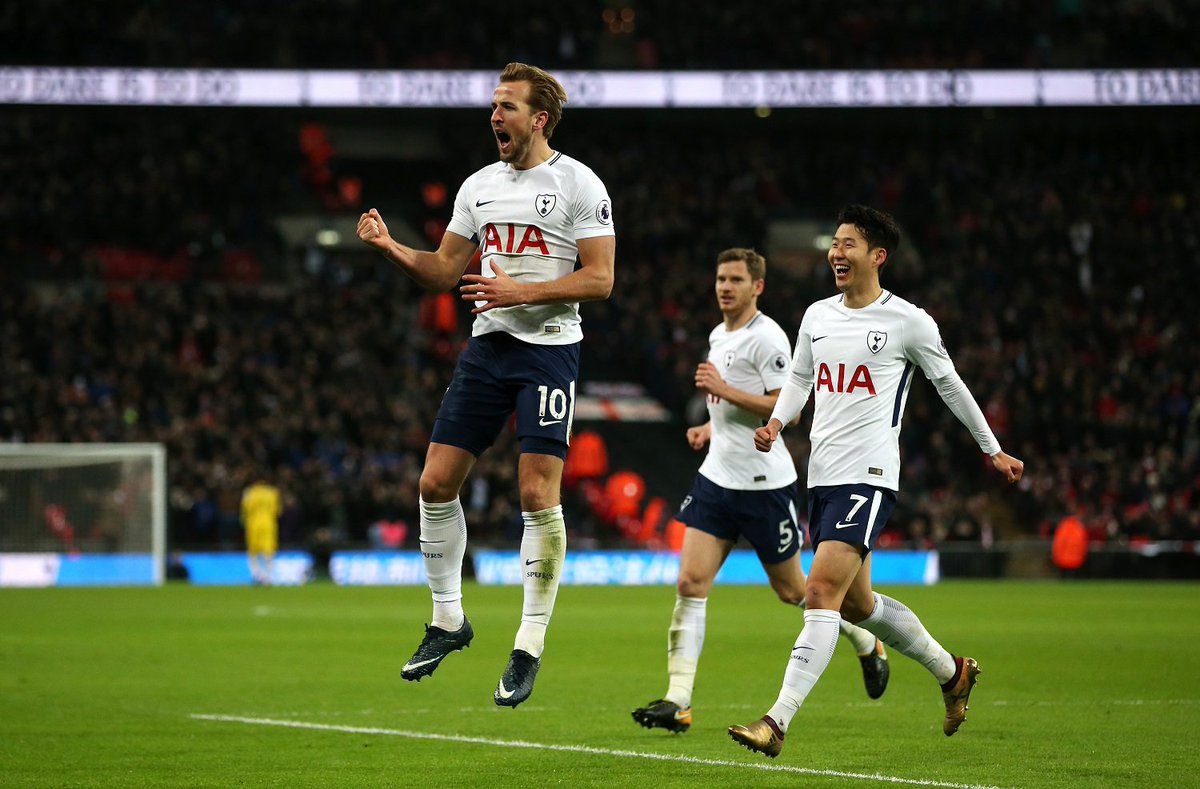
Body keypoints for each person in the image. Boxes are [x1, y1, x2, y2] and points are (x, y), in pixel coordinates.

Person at [356, 62, 615, 708]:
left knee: (536, 491)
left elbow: (601, 278)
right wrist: (391, 247)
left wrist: (522, 291)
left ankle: (528, 644)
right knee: (434, 482)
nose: (494, 116)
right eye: (494, 106)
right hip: (489, 346)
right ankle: (448, 620)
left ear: (539, 118)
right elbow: (445, 270)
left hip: (549, 351)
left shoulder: (579, 183)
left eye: (507, 106)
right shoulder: (478, 186)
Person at [728, 205, 1024, 757]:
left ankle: (776, 721)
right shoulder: (817, 315)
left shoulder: (908, 321)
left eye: (848, 244)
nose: (836, 253)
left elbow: (950, 384)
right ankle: (952, 671)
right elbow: (799, 379)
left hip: (868, 475)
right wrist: (776, 422)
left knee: (819, 591)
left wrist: (992, 448)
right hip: (822, 477)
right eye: (834, 243)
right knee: (856, 606)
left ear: (877, 256)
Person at [632, 248, 890, 735]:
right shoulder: (718, 334)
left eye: (735, 280)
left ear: (758, 287)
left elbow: (787, 408)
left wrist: (723, 389)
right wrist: (711, 428)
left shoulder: (768, 337)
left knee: (793, 591)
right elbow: (729, 407)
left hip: (764, 487)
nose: (725, 287)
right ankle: (678, 700)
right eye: (720, 279)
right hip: (717, 479)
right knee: (690, 583)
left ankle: (864, 640)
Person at [241, 475, 282, 586]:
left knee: (253, 551)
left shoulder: (249, 492)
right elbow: (277, 511)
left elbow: (245, 510)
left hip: (253, 524)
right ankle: (267, 577)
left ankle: (255, 575)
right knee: (268, 550)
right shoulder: (272, 492)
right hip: (268, 524)